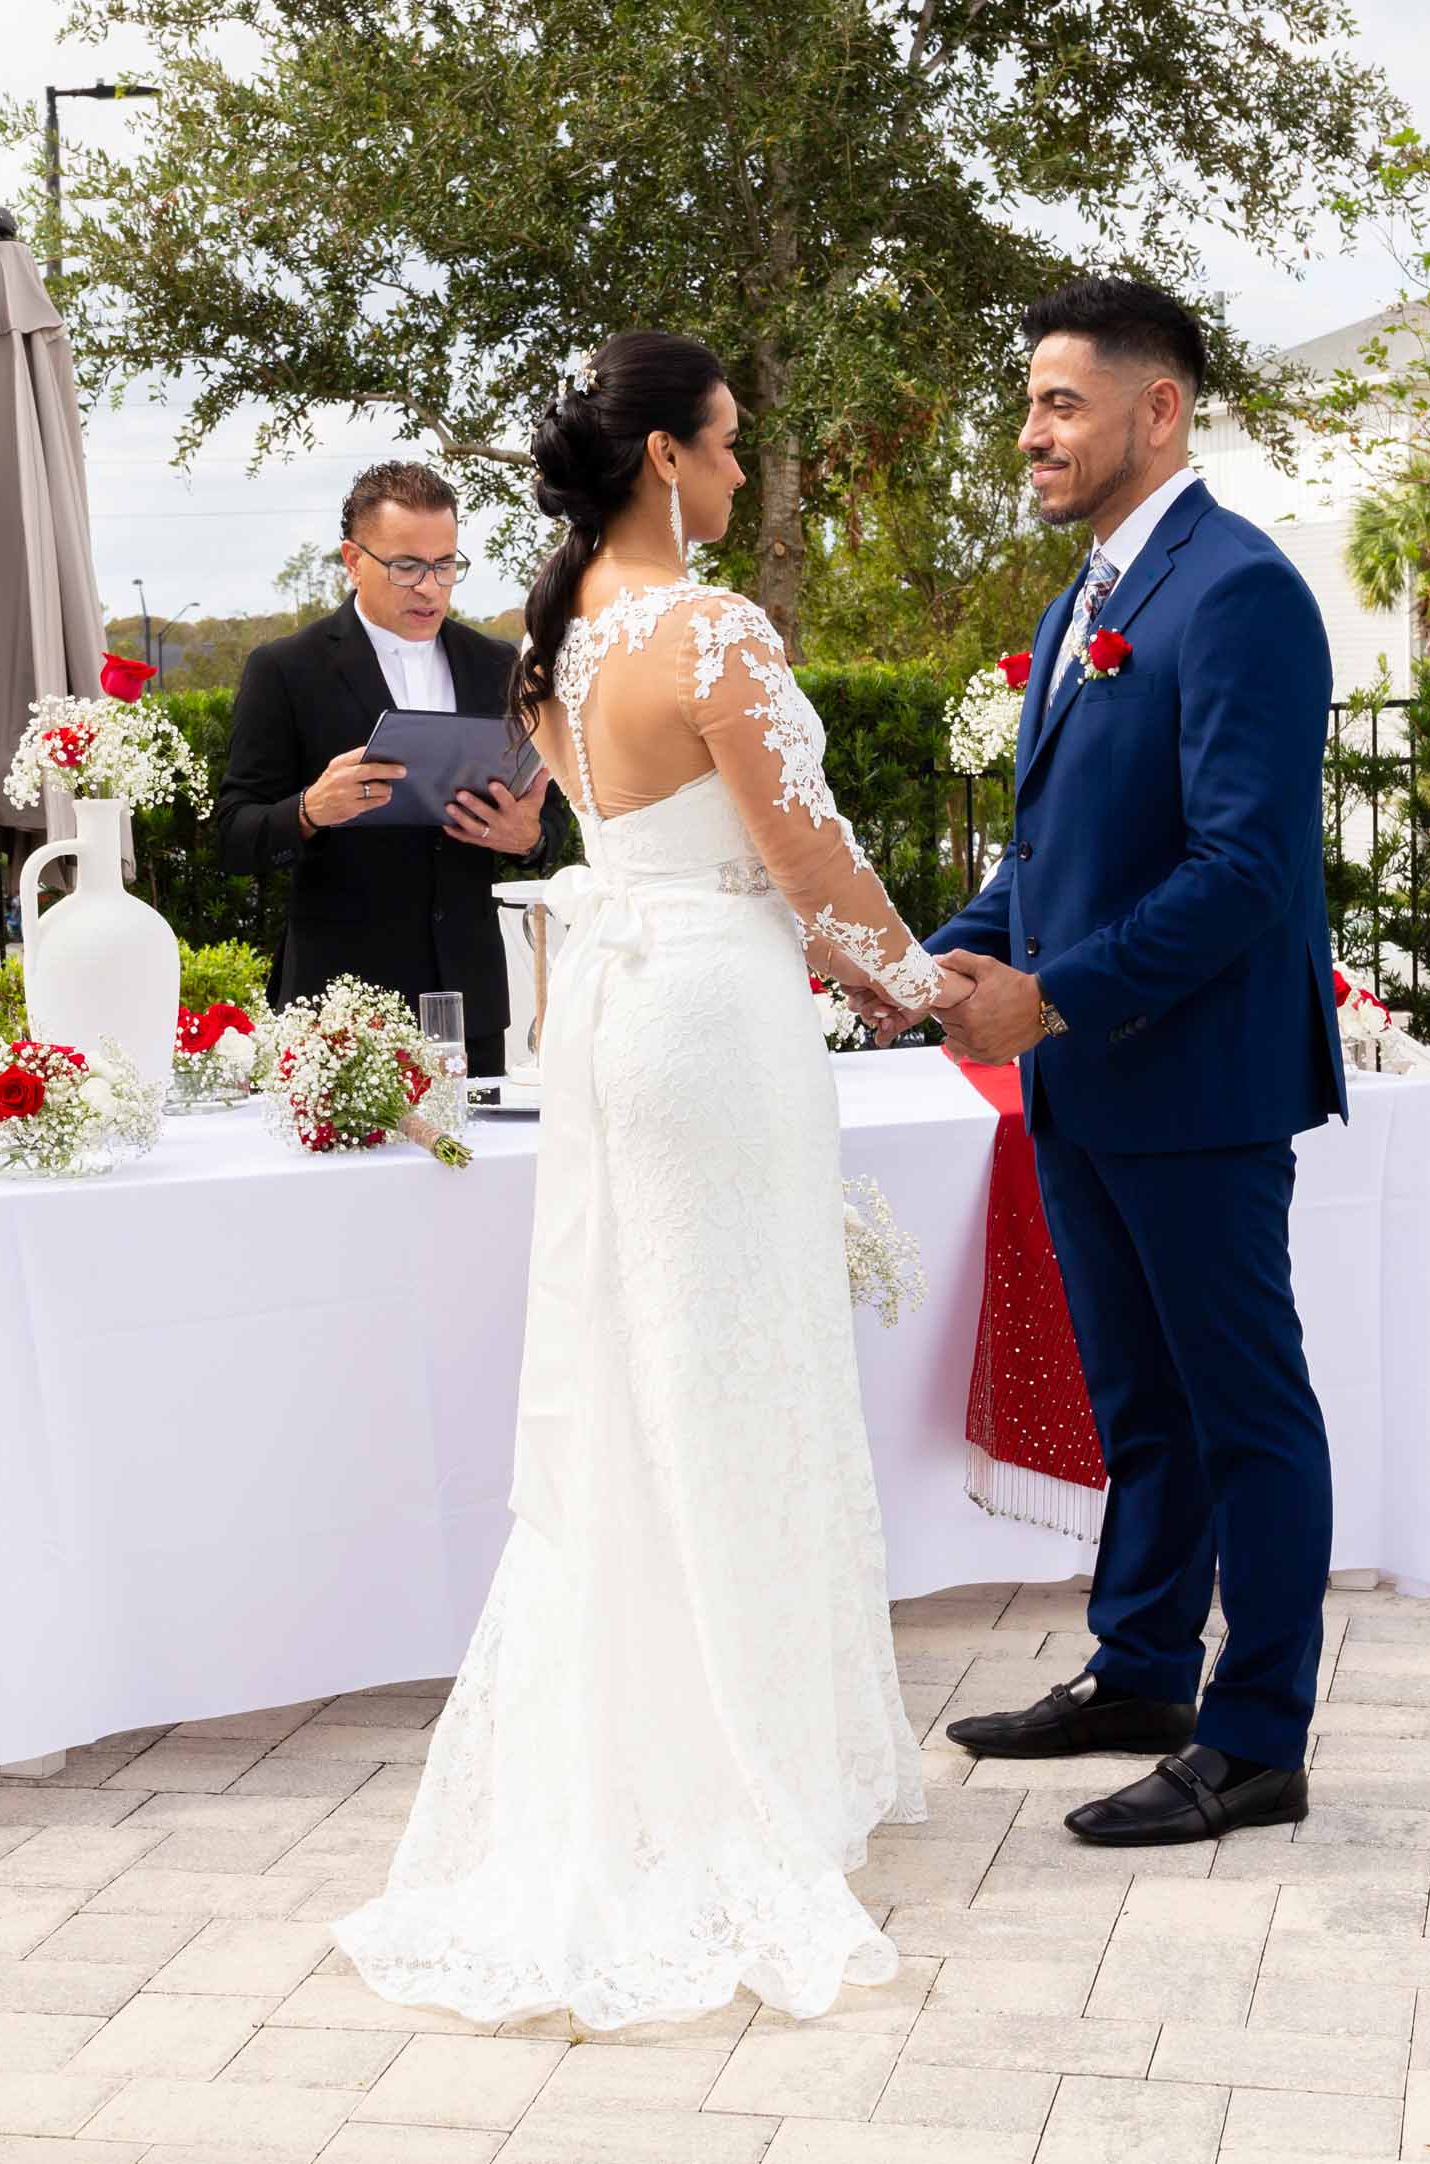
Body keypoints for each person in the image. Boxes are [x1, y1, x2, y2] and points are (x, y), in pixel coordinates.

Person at [334, 332, 972, 2027]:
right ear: (668, 461)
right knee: (738, 1372)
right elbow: (809, 856)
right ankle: (747, 1765)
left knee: (650, 1375)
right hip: (713, 1017)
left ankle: (668, 1730)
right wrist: (930, 987)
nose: (746, 471)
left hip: (619, 1017)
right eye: (732, 444)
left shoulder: (557, 640)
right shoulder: (709, 630)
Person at [856, 276, 1346, 1846]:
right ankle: (1144, 1670)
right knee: (1141, 1401)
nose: (1030, 432)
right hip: (1088, 1083)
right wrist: (921, 967)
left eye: (1062, 403)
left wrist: (1050, 1001)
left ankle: (1258, 1737)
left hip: (1197, 1083)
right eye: (1029, 403)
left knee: (1244, 1409)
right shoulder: (1086, 600)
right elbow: (1051, 866)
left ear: (1160, 410)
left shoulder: (1241, 590)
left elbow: (1245, 870)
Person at [215, 460, 569, 1075]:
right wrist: (308, 811)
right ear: (353, 560)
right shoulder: (285, 670)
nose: (430, 587)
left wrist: (530, 838)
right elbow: (232, 837)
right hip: (339, 1012)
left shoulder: (498, 666)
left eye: (446, 565)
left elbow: (551, 815)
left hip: (472, 1006)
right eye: (406, 566)